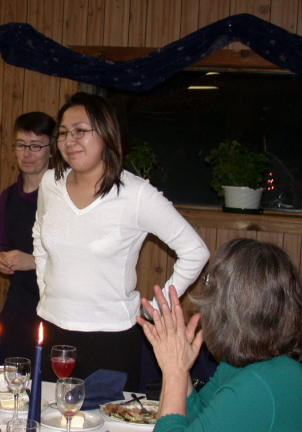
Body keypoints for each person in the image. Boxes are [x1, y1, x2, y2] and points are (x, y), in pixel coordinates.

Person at [33, 92, 210, 390]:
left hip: (110, 339)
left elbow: (195, 251)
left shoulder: (136, 194)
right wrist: (44, 285)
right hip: (51, 330)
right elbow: (39, 235)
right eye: (63, 132)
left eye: (80, 131)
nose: (68, 140)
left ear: (105, 134)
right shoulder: (50, 183)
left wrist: (154, 308)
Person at [138, 238, 302, 432]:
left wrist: (174, 373)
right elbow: (202, 419)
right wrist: (180, 367)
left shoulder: (259, 385)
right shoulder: (249, 364)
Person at [0, 112, 55, 361]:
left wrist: (33, 261)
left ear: (52, 150)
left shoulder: (62, 196)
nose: (27, 153)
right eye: (21, 145)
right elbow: (1, 244)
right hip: (19, 299)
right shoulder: (7, 196)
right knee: (6, 374)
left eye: (36, 146)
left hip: (54, 303)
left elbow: (77, 260)